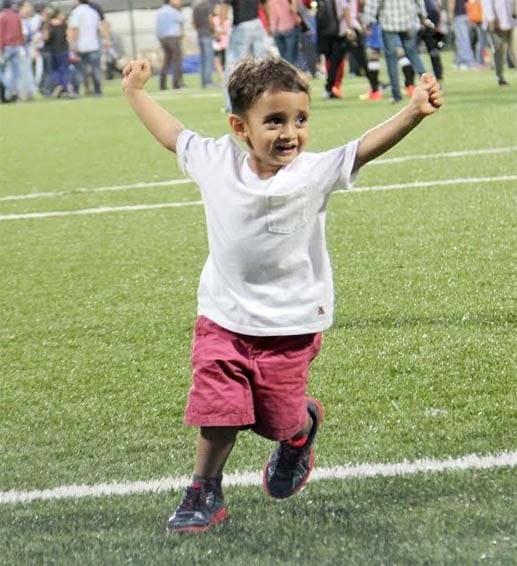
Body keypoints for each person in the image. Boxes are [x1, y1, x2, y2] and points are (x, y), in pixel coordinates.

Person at [122, 53, 443, 533]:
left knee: (277, 419)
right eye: (273, 121)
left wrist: (414, 111)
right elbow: (172, 134)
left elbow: (363, 148)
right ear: (240, 126)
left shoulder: (314, 171)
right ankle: (203, 490)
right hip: (223, 318)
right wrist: (136, 92)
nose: (289, 132)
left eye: (300, 119)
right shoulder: (215, 162)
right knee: (218, 406)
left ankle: (298, 433)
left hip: (290, 325)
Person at [362, 0, 431, 103]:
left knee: (391, 59)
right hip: (408, 21)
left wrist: (367, 22)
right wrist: (423, 16)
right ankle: (430, 85)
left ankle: (396, 95)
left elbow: (374, 3)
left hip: (389, 23)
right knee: (412, 54)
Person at [219, 0, 268, 110]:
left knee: (233, 67)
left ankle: (232, 104)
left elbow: (224, 5)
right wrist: (269, 22)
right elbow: (265, 3)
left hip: (241, 25)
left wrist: (221, 26)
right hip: (257, 23)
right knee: (262, 65)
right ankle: (265, 99)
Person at [67, 0, 104, 97]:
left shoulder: (76, 12)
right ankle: (97, 91)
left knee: (79, 69)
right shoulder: (93, 12)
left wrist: (73, 44)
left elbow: (74, 29)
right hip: (93, 44)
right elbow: (98, 29)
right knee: (95, 68)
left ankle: (76, 91)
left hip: (81, 45)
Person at [481, 0, 517, 85]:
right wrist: (491, 19)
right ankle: (500, 77)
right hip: (497, 20)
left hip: (512, 18)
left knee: (514, 50)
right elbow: (487, 3)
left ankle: (500, 78)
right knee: (499, 50)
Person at [156, 0, 185, 90]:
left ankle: (162, 84)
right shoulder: (173, 11)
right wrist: (179, 9)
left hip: (163, 39)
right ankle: (177, 83)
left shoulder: (160, 11)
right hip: (173, 38)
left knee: (167, 61)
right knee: (177, 60)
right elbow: (182, 19)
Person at [0, 0, 24, 103]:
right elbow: (20, 31)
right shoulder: (16, 16)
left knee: (1, 71)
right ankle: (15, 90)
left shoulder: (2, 17)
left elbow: (1, 33)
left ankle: (11, 88)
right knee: (15, 72)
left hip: (6, 47)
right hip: (17, 46)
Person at [267, 0, 302, 65]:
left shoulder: (270, 1)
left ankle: (286, 72)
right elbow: (295, 10)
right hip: (290, 29)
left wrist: (272, 29)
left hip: (277, 31)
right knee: (291, 57)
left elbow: (272, 16)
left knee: (283, 58)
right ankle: (291, 72)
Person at [192, 0, 215, 88]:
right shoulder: (208, 5)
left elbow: (193, 22)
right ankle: (208, 82)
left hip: (200, 35)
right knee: (208, 59)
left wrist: (199, 30)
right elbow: (210, 19)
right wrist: (214, 30)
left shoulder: (195, 6)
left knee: (202, 59)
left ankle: (203, 81)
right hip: (207, 34)